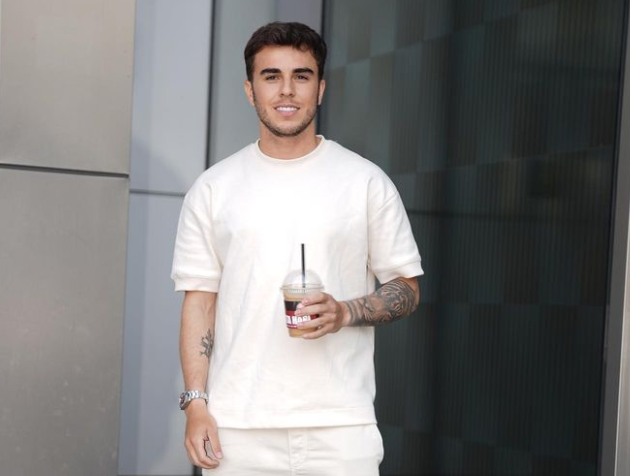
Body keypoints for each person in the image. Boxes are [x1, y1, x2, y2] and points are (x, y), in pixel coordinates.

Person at [171, 21, 423, 476]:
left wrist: (343, 312)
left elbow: (406, 286)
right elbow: (200, 302)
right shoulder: (212, 189)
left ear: (320, 89)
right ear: (249, 90)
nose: (286, 90)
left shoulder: (365, 181)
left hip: (341, 429)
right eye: (271, 76)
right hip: (238, 429)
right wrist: (195, 404)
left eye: (301, 76)